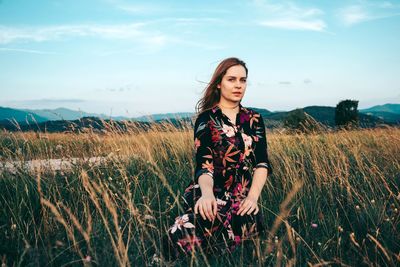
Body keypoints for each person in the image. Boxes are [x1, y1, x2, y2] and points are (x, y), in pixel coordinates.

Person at [159, 57, 273, 262]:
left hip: (243, 198)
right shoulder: (206, 120)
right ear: (219, 83)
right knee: (187, 229)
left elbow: (262, 163)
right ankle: (165, 259)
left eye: (243, 80)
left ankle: (216, 251)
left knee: (250, 232)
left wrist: (253, 197)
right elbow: (204, 165)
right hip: (209, 191)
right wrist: (207, 194)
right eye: (232, 79)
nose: (238, 85)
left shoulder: (255, 119)